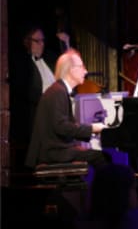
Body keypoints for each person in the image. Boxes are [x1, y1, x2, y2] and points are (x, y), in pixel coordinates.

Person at [25, 49, 108, 168]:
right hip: (52, 153)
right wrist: (92, 128)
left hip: (56, 150)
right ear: (71, 70)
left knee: (99, 155)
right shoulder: (57, 92)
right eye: (82, 67)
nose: (86, 71)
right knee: (101, 157)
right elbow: (61, 126)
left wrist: (91, 131)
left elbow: (62, 126)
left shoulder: (59, 90)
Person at [9, 25, 71, 162]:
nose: (41, 44)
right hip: (37, 111)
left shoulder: (50, 57)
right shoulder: (21, 64)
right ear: (27, 42)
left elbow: (68, 70)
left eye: (43, 40)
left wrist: (66, 44)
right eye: (37, 41)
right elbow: (25, 91)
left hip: (58, 108)